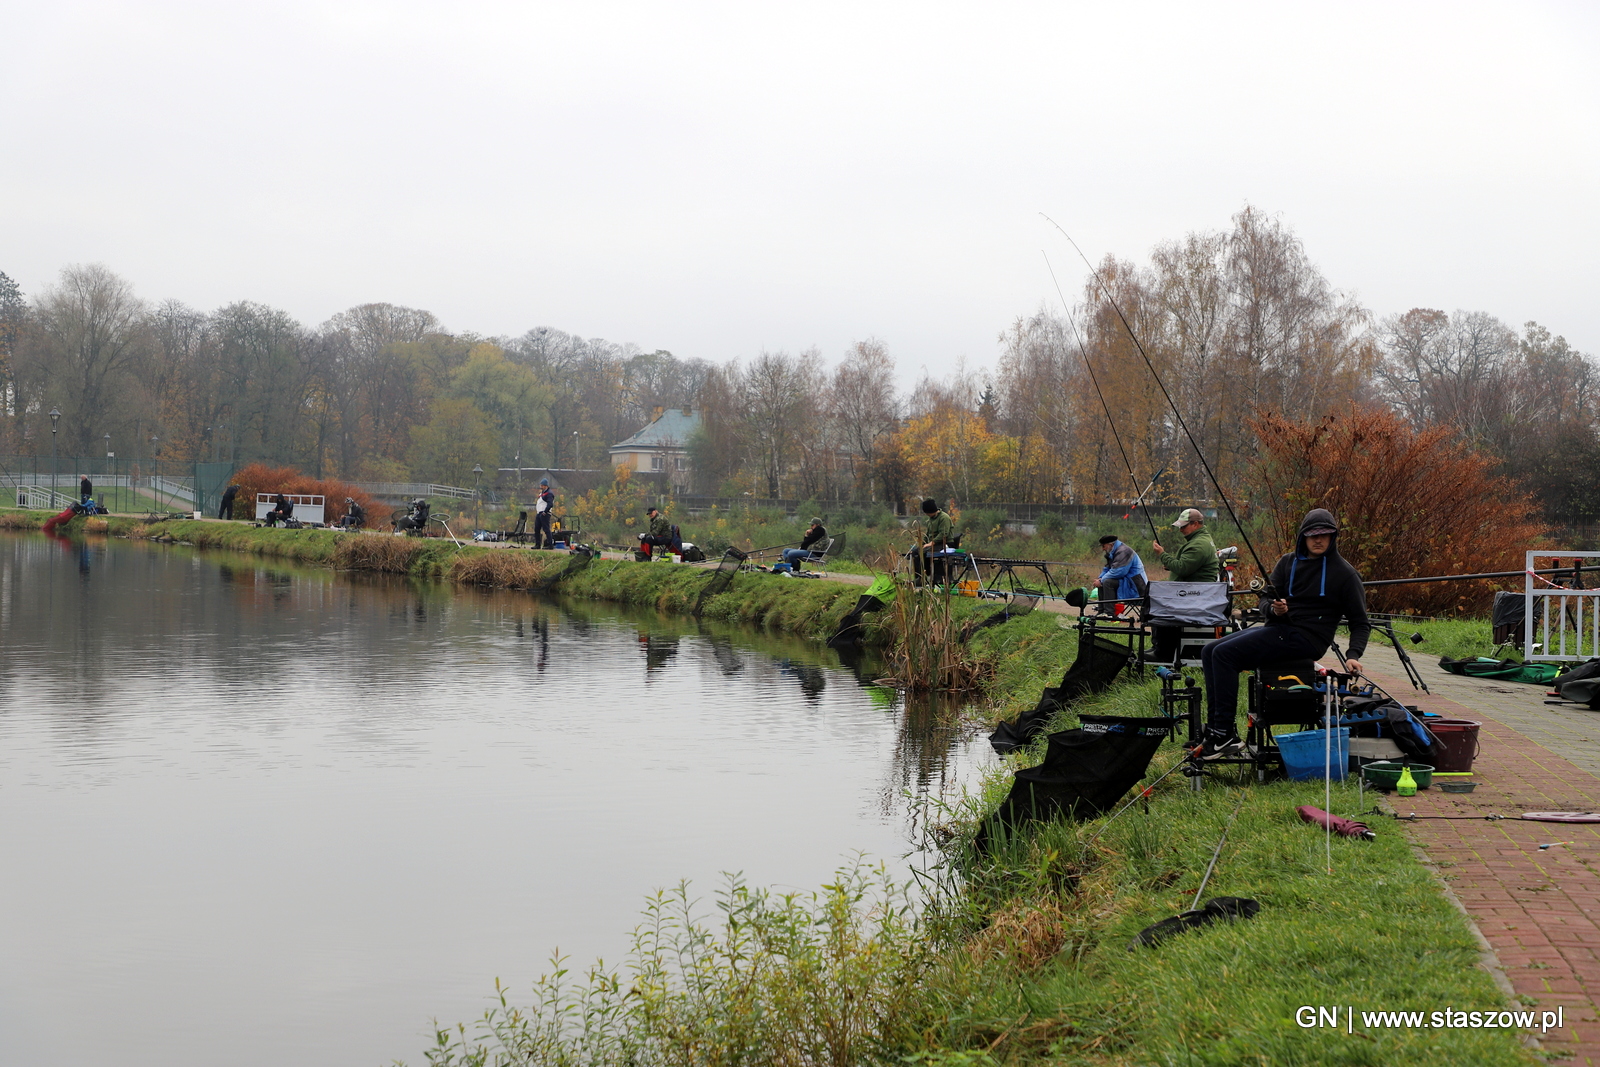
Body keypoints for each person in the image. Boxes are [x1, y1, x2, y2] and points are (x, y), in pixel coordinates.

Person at [1195, 508, 1370, 758]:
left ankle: (1223, 735)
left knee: (1224, 655)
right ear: (1303, 537)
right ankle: (1216, 731)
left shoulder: (1345, 573)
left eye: (1324, 535)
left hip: (1308, 639)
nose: (1318, 540)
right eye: (1312, 535)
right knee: (1209, 650)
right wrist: (1274, 611)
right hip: (1280, 628)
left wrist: (1353, 654)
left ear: (1333, 537)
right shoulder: (1288, 563)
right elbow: (1265, 601)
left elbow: (1360, 622)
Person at [1152, 508, 1220, 582]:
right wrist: (1171, 566)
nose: (1180, 530)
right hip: (1198, 590)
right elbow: (1190, 566)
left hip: (1195, 591)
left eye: (1183, 526)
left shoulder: (1198, 544)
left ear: (1195, 524)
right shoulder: (1203, 538)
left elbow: (1181, 568)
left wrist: (1162, 554)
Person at [1095, 534, 1148, 615]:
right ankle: (1101, 612)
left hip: (1136, 585)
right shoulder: (1113, 551)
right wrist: (1100, 578)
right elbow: (1108, 568)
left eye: (1103, 546)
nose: (1103, 549)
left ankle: (1109, 614)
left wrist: (1102, 580)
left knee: (1107, 582)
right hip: (1125, 581)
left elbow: (1119, 572)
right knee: (1103, 582)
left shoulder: (1124, 552)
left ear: (1110, 545)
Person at [912, 498, 955, 583]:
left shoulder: (944, 518)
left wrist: (931, 543)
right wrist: (922, 542)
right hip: (933, 544)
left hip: (944, 544)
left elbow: (943, 534)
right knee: (916, 552)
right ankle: (920, 576)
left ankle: (926, 576)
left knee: (923, 552)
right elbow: (928, 535)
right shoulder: (930, 520)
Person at [533, 478, 555, 549]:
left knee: (546, 529)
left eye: (542, 485)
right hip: (539, 513)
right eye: (541, 485)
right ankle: (537, 544)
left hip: (544, 514)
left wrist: (545, 511)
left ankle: (550, 545)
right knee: (537, 529)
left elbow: (550, 504)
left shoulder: (549, 494)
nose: (541, 487)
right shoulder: (542, 493)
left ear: (546, 486)